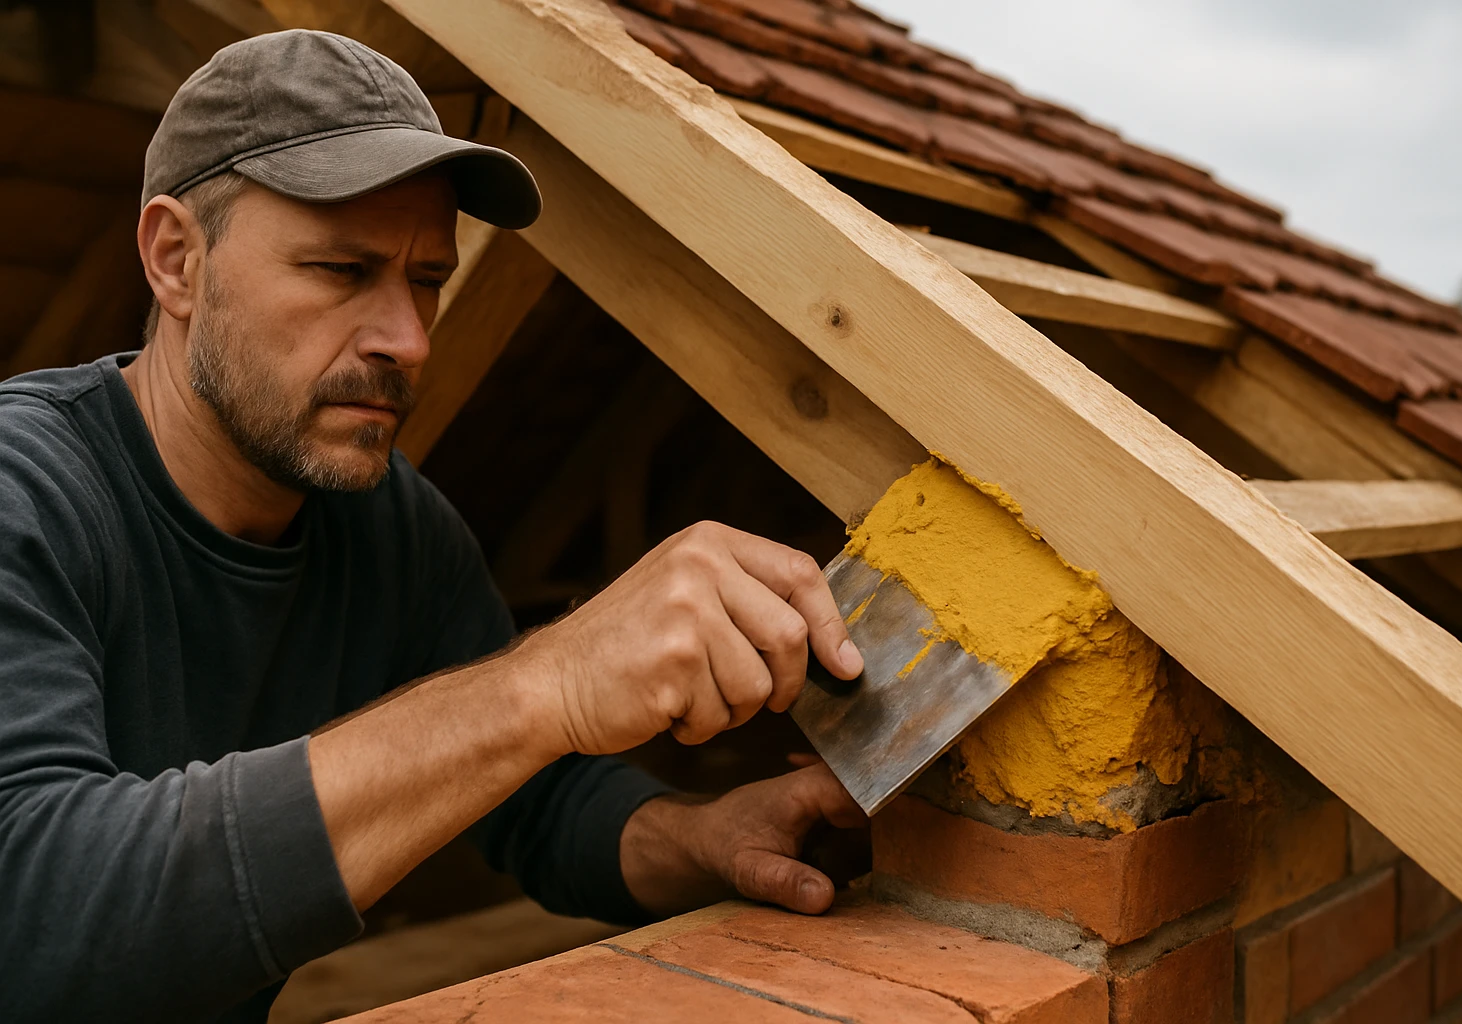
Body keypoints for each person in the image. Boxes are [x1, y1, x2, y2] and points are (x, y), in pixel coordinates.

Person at [0, 29, 868, 1023]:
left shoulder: (388, 525)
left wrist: (706, 834)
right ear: (176, 260)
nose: (408, 341)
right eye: (341, 268)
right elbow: (35, 910)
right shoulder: (25, 492)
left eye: (426, 278)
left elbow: (536, 806)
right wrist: (544, 681)